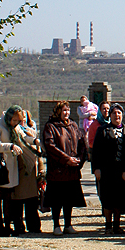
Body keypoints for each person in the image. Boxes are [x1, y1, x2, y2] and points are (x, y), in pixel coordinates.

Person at [0, 105, 43, 235]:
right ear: (9, 117)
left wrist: (35, 141)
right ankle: (1, 227)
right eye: (14, 120)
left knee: (9, 199)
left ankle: (9, 225)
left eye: (18, 121)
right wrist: (10, 146)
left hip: (12, 166)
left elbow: (23, 138)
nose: (15, 123)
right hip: (0, 165)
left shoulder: (16, 126)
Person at [42, 101, 88, 235]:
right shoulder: (50, 126)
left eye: (68, 110)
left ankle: (68, 224)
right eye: (63, 110)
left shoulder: (73, 125)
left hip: (72, 170)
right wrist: (66, 159)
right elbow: (50, 146)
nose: (66, 113)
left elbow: (82, 143)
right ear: (58, 112)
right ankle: (56, 225)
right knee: (57, 200)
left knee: (69, 199)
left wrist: (78, 160)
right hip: (57, 171)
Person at [91, 103, 125, 234]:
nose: (116, 115)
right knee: (107, 199)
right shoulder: (102, 130)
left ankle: (117, 225)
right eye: (114, 113)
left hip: (121, 171)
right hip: (106, 171)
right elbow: (96, 151)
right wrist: (96, 168)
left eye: (119, 113)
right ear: (110, 115)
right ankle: (108, 226)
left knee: (119, 199)